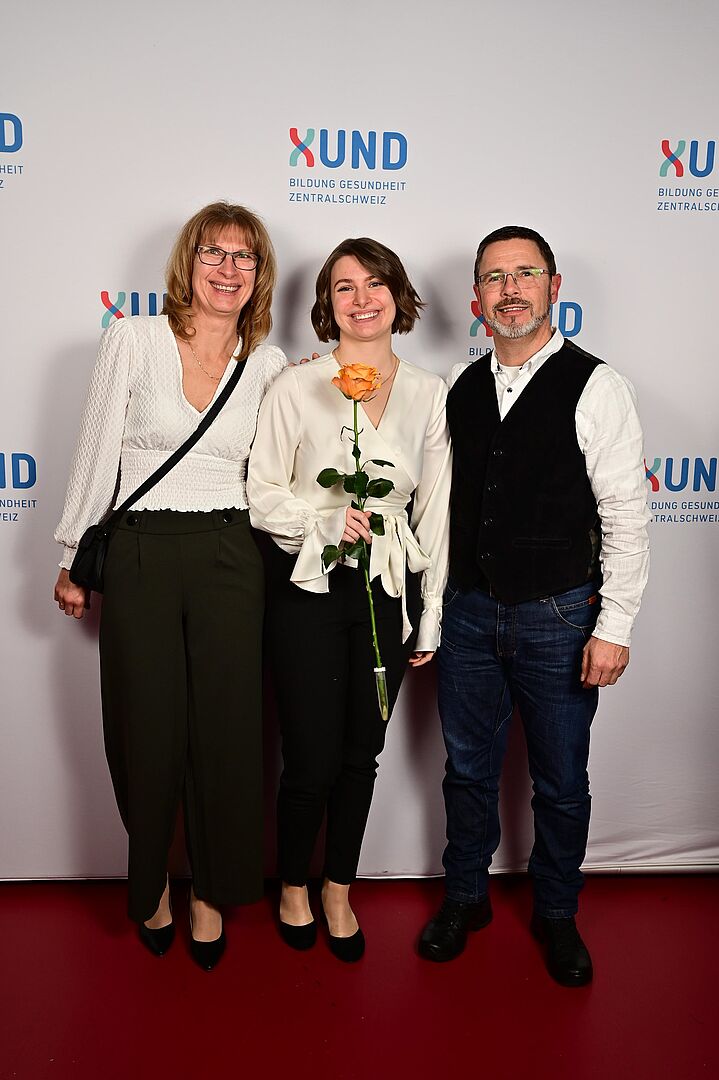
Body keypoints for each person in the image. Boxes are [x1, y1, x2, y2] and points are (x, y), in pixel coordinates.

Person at [53, 201, 287, 969]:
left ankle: (212, 892)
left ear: (260, 274)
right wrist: (73, 552)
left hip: (231, 552)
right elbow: (98, 449)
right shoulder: (133, 339)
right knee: (144, 724)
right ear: (187, 264)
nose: (228, 268)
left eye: (244, 256)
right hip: (140, 551)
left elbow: (273, 477)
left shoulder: (270, 364)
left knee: (228, 728)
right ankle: (151, 879)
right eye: (213, 252)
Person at [419, 225, 650, 986]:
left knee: (560, 781)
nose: (510, 289)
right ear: (476, 298)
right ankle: (465, 897)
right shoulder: (455, 386)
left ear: (553, 288)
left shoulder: (597, 386)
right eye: (495, 277)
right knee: (466, 772)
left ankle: (556, 911)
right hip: (469, 613)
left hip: (560, 616)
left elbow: (625, 515)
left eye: (524, 274)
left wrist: (613, 627)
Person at [247, 237, 451, 961]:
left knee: (362, 752)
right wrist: (323, 522)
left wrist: (428, 615)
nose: (362, 299)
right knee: (307, 757)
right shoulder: (295, 385)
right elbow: (262, 492)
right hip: (307, 584)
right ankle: (292, 887)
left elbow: (436, 511)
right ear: (326, 306)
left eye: (375, 284)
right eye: (344, 287)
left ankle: (338, 887)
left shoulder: (430, 392)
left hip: (386, 589)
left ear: (398, 296)